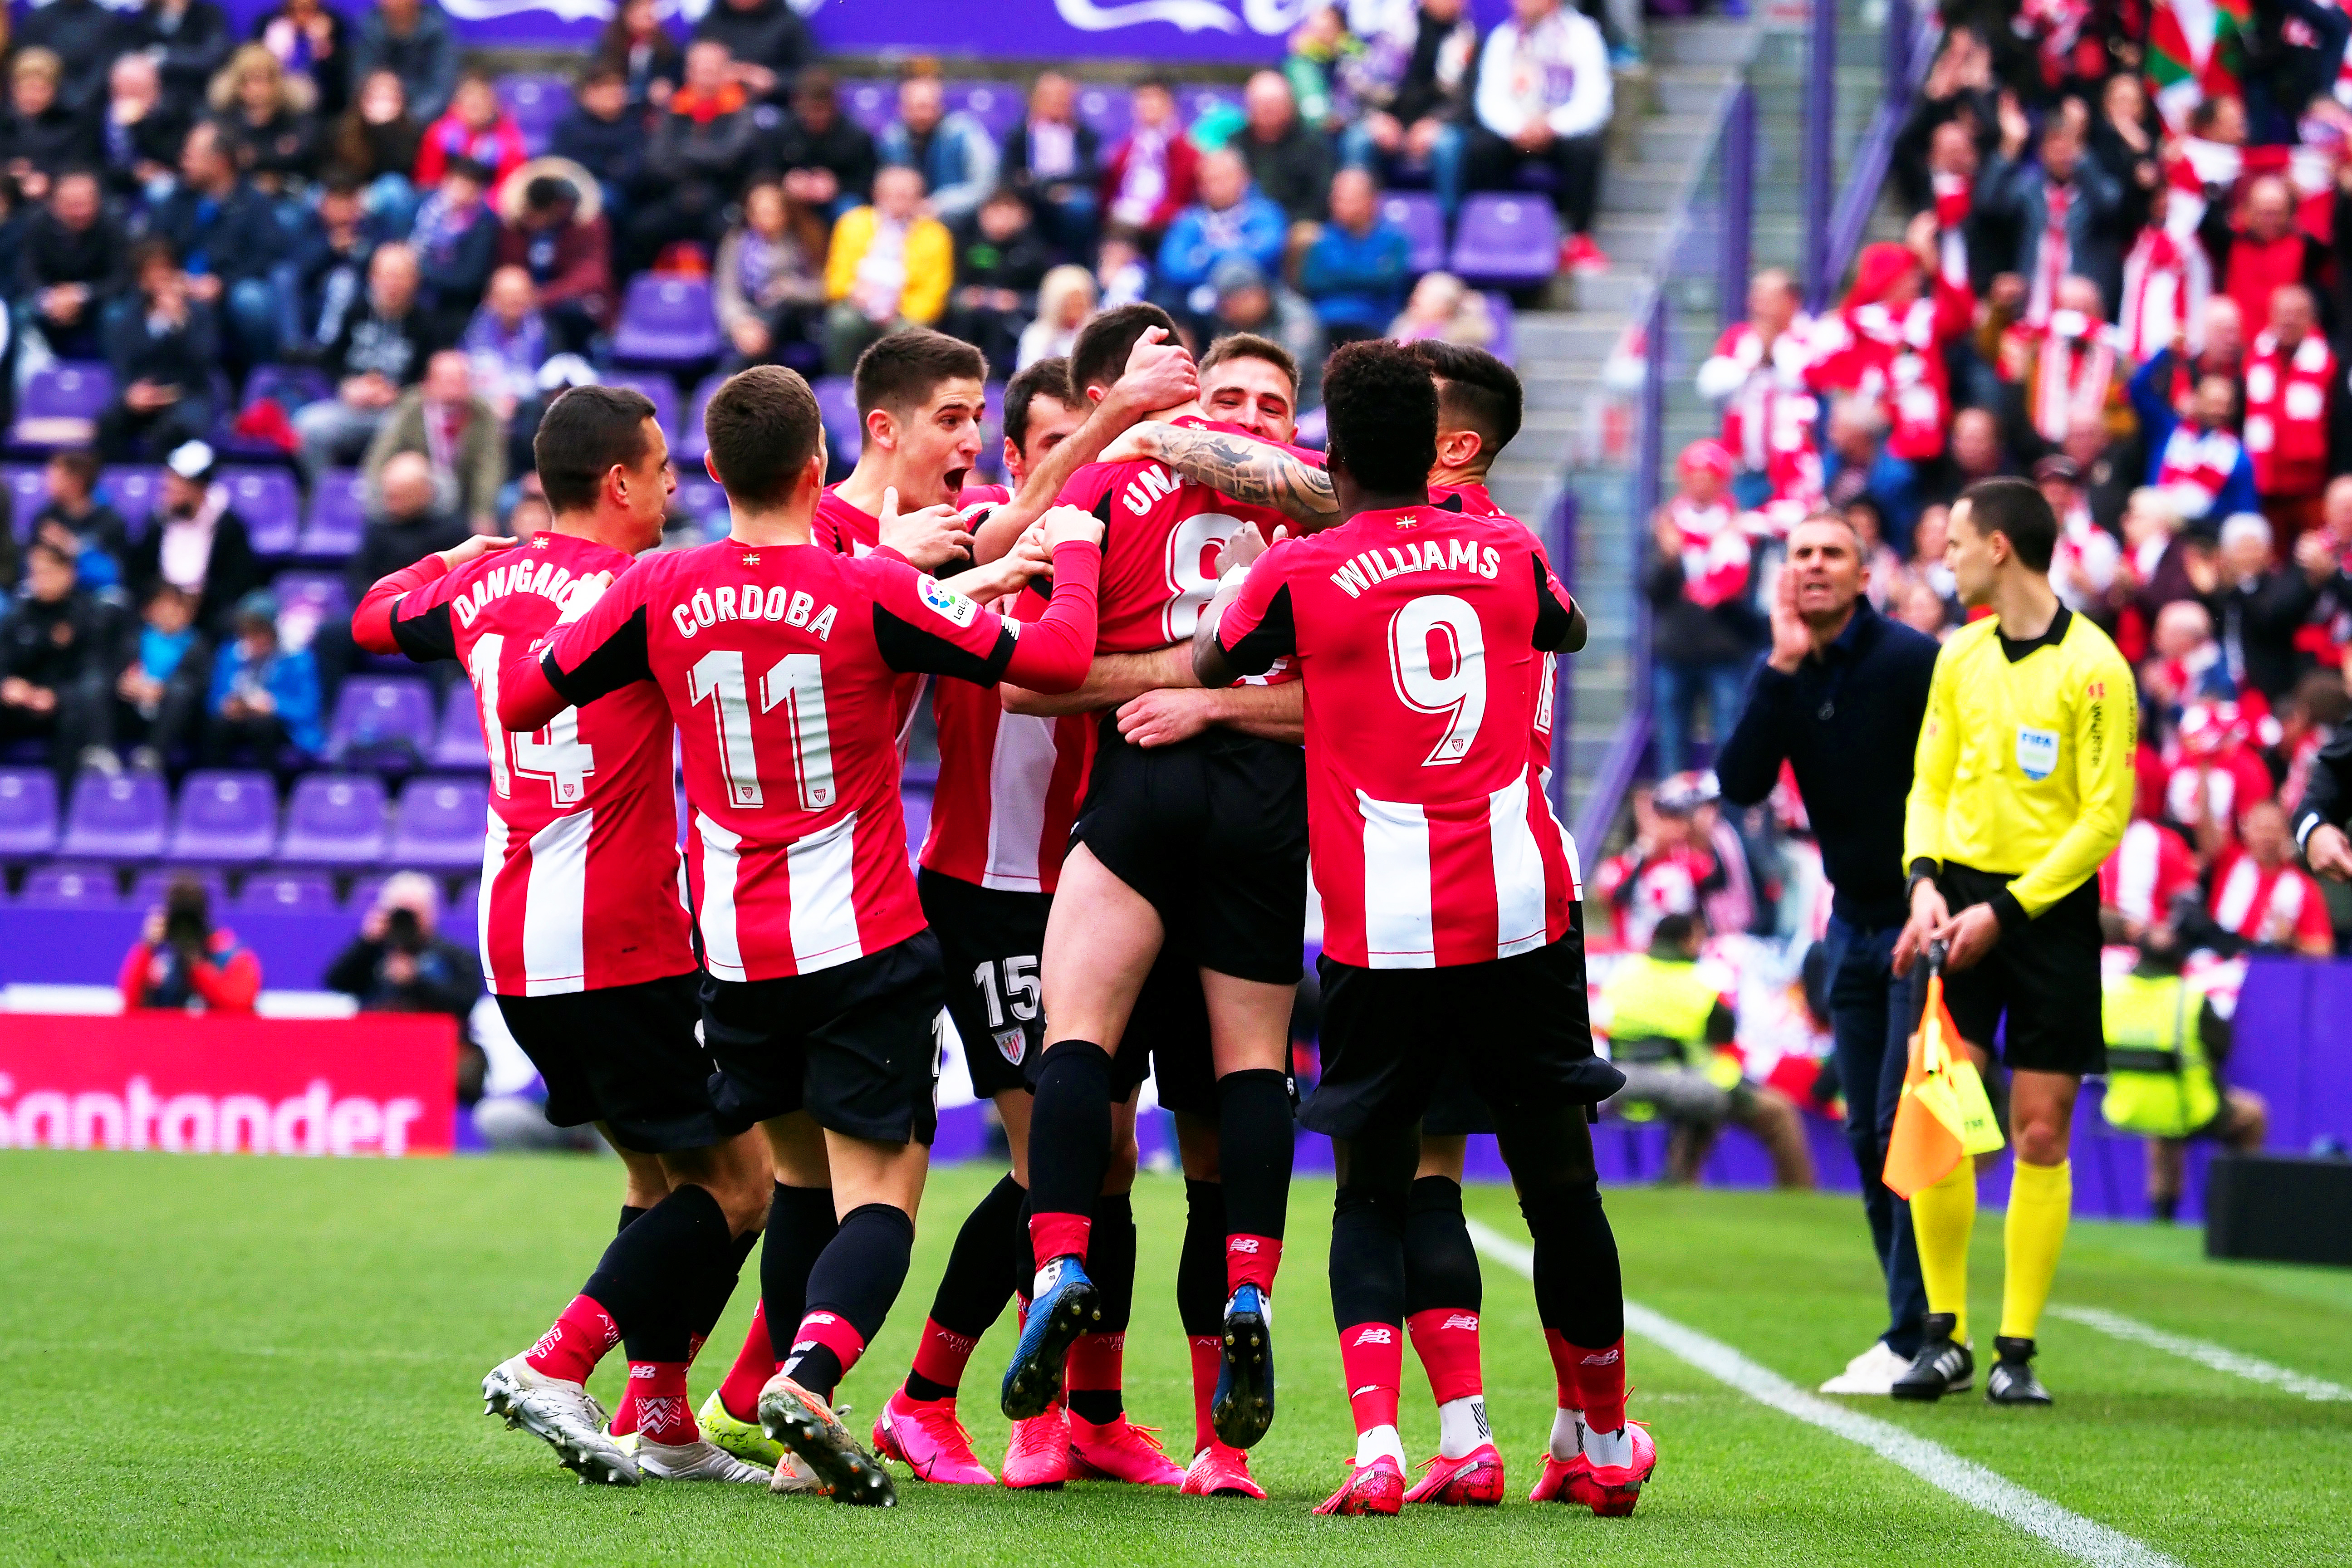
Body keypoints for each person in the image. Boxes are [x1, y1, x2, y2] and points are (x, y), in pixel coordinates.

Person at [496, 364, 1107, 1504]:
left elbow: (529, 694)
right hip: (862, 941)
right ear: (820, 468)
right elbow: (1058, 663)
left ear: (712, 474)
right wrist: (1070, 555)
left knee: (788, 1179)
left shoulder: (659, 583)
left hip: (734, 954)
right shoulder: (866, 586)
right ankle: (812, 1375)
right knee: (879, 1194)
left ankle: (730, 1391)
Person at [1192, 338, 1643, 1517]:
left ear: (1332, 456)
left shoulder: (1302, 567)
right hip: (1519, 901)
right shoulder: (1509, 548)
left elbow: (1215, 657)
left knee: (1373, 1190)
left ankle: (1384, 1448)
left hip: (1379, 916)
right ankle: (1601, 1441)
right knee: (1561, 1188)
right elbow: (1569, 630)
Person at [352, 382, 780, 1488]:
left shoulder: (486, 582)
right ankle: (558, 1357)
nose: (678, 484)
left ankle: (665, 1420)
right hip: (620, 931)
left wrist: (458, 551)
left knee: (655, 1179)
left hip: (516, 937)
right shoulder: (645, 588)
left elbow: (372, 615)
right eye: (662, 465)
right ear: (619, 481)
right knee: (742, 1185)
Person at [988, 304, 1314, 1470]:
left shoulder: (1117, 482)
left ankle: (1062, 1260)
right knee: (1249, 1073)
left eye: (1269, 405)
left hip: (1140, 780)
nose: (1246, 421)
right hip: (1266, 806)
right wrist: (1217, 684)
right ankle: (1249, 1300)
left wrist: (1128, 423)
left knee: (1072, 1046)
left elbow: (1026, 664)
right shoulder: (1317, 509)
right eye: (1233, 399)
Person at [863, 355, 1176, 1491]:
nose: (1091, 466)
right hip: (987, 885)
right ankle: (927, 1396)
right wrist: (1110, 429)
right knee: (1055, 1145)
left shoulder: (1130, 549)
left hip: (1096, 882)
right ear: (1023, 452)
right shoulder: (986, 534)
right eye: (1060, 439)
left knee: (1109, 1154)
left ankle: (1093, 1407)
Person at [1893, 475, 2136, 1406]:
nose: (1946, 557)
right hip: (1956, 903)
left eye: (1955, 541)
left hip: (2048, 915)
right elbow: (1929, 780)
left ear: (1999, 546)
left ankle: (2016, 1350)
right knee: (1945, 1125)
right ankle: (1944, 1335)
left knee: (2039, 1128)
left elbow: (2104, 817)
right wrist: (1923, 884)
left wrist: (2011, 910)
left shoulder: (2097, 668)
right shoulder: (1960, 656)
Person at [1715, 508, 1943, 1394]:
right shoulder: (1786, 671)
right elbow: (1739, 783)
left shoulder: (1913, 662)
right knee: (1863, 1130)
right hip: (1848, 925)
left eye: (1831, 554)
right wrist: (1776, 664)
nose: (1812, 566)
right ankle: (1915, 1325)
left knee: (1899, 1128)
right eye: (1799, 554)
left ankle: (1920, 1329)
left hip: (1921, 918)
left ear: (1864, 575)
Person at [1595, 911, 1813, 1188]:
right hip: (1685, 1082)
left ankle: (1679, 1178)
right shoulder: (1701, 984)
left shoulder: (1623, 976)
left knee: (1705, 1107)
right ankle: (1800, 1196)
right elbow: (1725, 1036)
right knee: (1778, 1113)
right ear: (1688, 940)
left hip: (1626, 1080)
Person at [2099, 908, 2269, 1222]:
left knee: (2163, 1125)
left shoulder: (2112, 995)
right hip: (2189, 1108)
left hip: (2126, 1106)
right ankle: (2235, 1212)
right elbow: (2221, 1049)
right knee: (2253, 1115)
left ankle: (2163, 1214)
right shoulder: (2189, 998)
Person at [1469, 0, 1611, 274]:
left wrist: (1553, 125)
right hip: (1516, 134)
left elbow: (1596, 101)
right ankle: (1496, 230)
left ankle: (1578, 238)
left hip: (1559, 133)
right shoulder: (1503, 37)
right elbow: (1489, 100)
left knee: (1587, 149)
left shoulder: (1583, 34)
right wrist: (1518, 127)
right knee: (1480, 148)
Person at [147, 119, 285, 365]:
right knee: (122, 310)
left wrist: (222, 284)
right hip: (179, 286)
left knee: (251, 300)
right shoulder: (177, 199)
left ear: (219, 162)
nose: (183, 163)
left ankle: (265, 375)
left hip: (227, 291)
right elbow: (154, 246)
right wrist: (170, 280)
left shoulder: (254, 203)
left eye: (191, 156)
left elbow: (268, 255)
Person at [294, 242, 433, 476]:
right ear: (373, 278)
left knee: (421, 437)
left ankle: (382, 500)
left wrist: (397, 394)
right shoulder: (355, 312)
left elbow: (431, 378)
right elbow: (330, 361)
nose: (393, 284)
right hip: (353, 408)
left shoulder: (427, 325)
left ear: (415, 281)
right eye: (387, 276)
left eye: (400, 277)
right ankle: (327, 495)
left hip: (398, 413)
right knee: (306, 426)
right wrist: (348, 386)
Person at [627, 41, 760, 276]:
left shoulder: (741, 110)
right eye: (700, 70)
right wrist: (705, 159)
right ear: (688, 72)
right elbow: (657, 161)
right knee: (639, 229)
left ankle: (730, 305)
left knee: (733, 238)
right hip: (675, 199)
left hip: (722, 201)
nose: (706, 77)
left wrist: (684, 152)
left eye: (713, 70)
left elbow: (730, 157)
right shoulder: (674, 109)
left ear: (726, 72)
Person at [1339, 0, 1477, 220]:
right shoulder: (1394, 31)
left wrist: (1435, 123)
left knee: (1448, 145)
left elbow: (1469, 100)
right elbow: (1358, 84)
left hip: (1439, 126)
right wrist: (1376, 118)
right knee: (1357, 139)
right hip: (1389, 122)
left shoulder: (1469, 39)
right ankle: (1353, 224)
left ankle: (1447, 228)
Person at [822, 164, 954, 375]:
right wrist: (854, 292)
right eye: (891, 196)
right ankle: (842, 387)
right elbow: (835, 277)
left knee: (906, 333)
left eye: (905, 197)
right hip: (859, 303)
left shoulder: (936, 235)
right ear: (877, 195)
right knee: (842, 322)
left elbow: (936, 292)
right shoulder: (851, 224)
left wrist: (898, 307)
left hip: (905, 310)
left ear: (920, 199)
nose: (897, 203)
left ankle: (898, 397)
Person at [0, 540, 113, 784]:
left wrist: (58, 697)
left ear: (68, 574)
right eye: (34, 573)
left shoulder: (87, 616)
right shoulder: (18, 615)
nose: (39, 580)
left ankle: (65, 807)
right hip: (21, 705)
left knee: (79, 712)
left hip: (63, 706)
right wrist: (6, 685)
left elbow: (94, 674)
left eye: (47, 572)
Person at [96, 240, 219, 461]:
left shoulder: (198, 314)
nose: (160, 278)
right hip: (143, 396)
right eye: (152, 272)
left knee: (172, 431)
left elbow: (203, 363)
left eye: (165, 270)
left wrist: (180, 325)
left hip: (187, 396)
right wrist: (130, 394)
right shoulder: (126, 317)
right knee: (108, 424)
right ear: (141, 280)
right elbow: (122, 365)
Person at [125, 441, 260, 640]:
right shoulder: (156, 522)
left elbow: (237, 583)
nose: (168, 490)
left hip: (206, 612)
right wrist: (159, 603)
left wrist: (193, 604)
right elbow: (138, 571)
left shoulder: (230, 528)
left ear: (199, 489)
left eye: (177, 484)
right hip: (159, 606)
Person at [361, 349, 504, 534]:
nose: (454, 387)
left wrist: (483, 512)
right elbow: (384, 451)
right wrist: (375, 493)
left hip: (463, 493)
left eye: (461, 380)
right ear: (428, 382)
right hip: (417, 489)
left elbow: (488, 467)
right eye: (447, 380)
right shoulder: (411, 407)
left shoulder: (483, 413)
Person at [2128, 336, 2258, 527]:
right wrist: (2167, 352)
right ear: (2196, 401)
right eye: (2213, 402)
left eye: (2225, 405)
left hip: (2203, 538)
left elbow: (2245, 516)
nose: (2219, 410)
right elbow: (2137, 389)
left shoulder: (2239, 457)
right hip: (2156, 528)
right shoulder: (2167, 429)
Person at [1154, 148, 1285, 320]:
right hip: (1197, 303)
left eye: (1226, 178)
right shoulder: (1189, 221)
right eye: (1211, 180)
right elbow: (1172, 266)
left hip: (1260, 297)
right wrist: (1238, 250)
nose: (1218, 186)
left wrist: (1206, 256)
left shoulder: (1265, 213)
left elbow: (1268, 251)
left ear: (1244, 178)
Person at [714, 174, 827, 369]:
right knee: (744, 342)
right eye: (757, 212)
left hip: (797, 319)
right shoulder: (736, 242)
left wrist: (789, 289)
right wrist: (740, 324)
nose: (763, 218)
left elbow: (824, 289)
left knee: (780, 309)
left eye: (770, 212)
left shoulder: (806, 240)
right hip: (750, 315)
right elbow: (727, 292)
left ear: (785, 212)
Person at [496, 167, 614, 350]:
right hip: (525, 301)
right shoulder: (516, 230)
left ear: (557, 208)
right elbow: (508, 269)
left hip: (565, 306)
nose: (533, 220)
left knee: (569, 313)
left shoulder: (587, 228)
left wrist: (543, 297)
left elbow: (592, 277)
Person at [14, 167, 123, 364]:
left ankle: (115, 379)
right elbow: (27, 270)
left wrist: (81, 295)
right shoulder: (37, 224)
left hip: (95, 299)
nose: (80, 212)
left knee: (116, 314)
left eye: (86, 205)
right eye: (73, 206)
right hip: (51, 299)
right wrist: (48, 298)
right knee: (22, 312)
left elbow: (121, 277)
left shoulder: (112, 225)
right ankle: (31, 386)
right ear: (56, 206)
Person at [201, 588, 320, 768]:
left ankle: (270, 790)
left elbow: (308, 709)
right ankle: (215, 784)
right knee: (218, 725)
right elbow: (213, 699)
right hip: (238, 723)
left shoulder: (298, 659)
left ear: (273, 631)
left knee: (263, 726)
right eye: (247, 633)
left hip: (281, 727)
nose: (252, 639)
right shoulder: (230, 653)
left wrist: (274, 705)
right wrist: (227, 706)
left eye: (259, 632)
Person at [1299, 168, 1413, 348]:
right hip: (1324, 323)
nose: (1339, 205)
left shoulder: (1395, 239)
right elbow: (1312, 281)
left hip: (1376, 323)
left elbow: (1389, 281)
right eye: (1337, 198)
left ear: (1371, 201)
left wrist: (1336, 275)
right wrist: (1367, 274)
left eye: (1349, 199)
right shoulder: (1322, 238)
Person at [118, 874, 259, 1014]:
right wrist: (146, 946)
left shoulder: (231, 954)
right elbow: (131, 1006)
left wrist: (197, 965)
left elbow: (240, 1006)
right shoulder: (161, 958)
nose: (184, 928)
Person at [947, 186, 1052, 372]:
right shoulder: (964, 242)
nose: (1002, 218)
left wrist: (1017, 301)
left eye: (1009, 210)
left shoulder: (1035, 250)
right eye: (996, 210)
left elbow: (1047, 299)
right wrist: (966, 295)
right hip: (972, 316)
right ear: (982, 214)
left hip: (1014, 320)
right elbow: (949, 289)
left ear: (1023, 215)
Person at [347, 451, 470, 608]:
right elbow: (359, 577)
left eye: (400, 497)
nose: (391, 503)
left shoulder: (452, 530)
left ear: (426, 492)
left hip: (435, 613)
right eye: (389, 496)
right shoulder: (378, 527)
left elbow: (461, 581)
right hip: (384, 611)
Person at [461, 266, 553, 476]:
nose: (514, 302)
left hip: (528, 418)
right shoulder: (471, 331)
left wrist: (517, 402)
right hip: (481, 409)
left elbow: (551, 384)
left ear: (531, 298)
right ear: (490, 299)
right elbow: (463, 373)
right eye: (506, 295)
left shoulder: (548, 334)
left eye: (520, 295)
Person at [111, 581, 210, 771]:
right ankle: (103, 750)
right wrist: (125, 683)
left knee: (180, 691)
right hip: (133, 708)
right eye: (163, 606)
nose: (169, 612)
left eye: (176, 606)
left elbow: (199, 686)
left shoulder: (199, 646)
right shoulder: (133, 640)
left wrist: (161, 690)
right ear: (150, 610)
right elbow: (117, 672)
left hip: (179, 718)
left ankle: (153, 754)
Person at [879, 72, 999, 228]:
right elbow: (885, 184)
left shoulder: (966, 134)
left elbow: (985, 186)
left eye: (925, 107)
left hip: (959, 218)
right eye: (912, 107)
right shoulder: (893, 138)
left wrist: (938, 205)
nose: (920, 115)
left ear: (940, 106)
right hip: (904, 218)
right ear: (901, 109)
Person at [1002, 72, 1100, 256]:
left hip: (1069, 195)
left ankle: (1077, 262)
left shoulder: (1085, 136)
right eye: (1049, 97)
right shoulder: (1019, 135)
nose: (1057, 102)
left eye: (1062, 97)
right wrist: (1042, 188)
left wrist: (1056, 184)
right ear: (1035, 100)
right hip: (1031, 195)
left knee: (1081, 206)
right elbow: (1009, 175)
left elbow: (1091, 172)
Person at [209, 41, 321, 198]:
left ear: (277, 82)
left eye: (264, 81)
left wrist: (253, 156)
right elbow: (224, 158)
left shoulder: (295, 115)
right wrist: (276, 152)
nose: (257, 89)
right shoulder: (225, 117)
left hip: (288, 194)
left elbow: (301, 154)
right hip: (237, 194)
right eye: (249, 81)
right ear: (237, 85)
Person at [769, 67, 878, 222]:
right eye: (810, 110)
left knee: (852, 212)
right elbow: (764, 171)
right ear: (798, 106)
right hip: (791, 198)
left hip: (839, 199)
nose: (816, 117)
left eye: (822, 110)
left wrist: (836, 186)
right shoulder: (782, 131)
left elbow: (869, 182)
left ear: (834, 106)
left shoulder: (856, 136)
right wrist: (786, 181)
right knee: (769, 204)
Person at [1100, 76, 1197, 245]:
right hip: (1121, 223)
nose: (1147, 105)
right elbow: (1108, 192)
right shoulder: (1125, 149)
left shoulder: (1185, 150)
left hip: (1163, 226)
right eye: (1142, 98)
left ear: (1170, 106)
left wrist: (1147, 217)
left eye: (1155, 98)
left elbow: (1182, 202)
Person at [408, 155, 498, 337]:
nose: (462, 191)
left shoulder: (484, 225)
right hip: (411, 293)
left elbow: (468, 278)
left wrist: (418, 271)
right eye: (459, 182)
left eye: (470, 186)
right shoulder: (422, 205)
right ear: (447, 180)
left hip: (453, 305)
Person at [1232, 70, 1331, 230]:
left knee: (1307, 235)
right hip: (1245, 227)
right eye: (1261, 104)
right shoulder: (1236, 146)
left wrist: (1284, 224)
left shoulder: (1313, 144)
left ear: (1290, 106)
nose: (1268, 110)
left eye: (1274, 104)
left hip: (1295, 224)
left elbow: (1322, 197)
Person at [548, 63, 646, 221]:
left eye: (619, 88)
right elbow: (556, 164)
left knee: (603, 199)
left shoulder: (633, 127)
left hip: (616, 195)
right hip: (571, 188)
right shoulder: (569, 126)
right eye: (606, 88)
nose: (615, 94)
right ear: (589, 93)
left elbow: (632, 171)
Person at [2, 50, 98, 198]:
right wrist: (9, 174)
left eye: (41, 89)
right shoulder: (4, 123)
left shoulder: (71, 124)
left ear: (55, 91)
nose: (32, 96)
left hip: (56, 200)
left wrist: (49, 179)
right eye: (26, 88)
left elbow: (81, 168)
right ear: (14, 89)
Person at [30, 451, 127, 592]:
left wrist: (74, 548)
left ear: (76, 482)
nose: (47, 482)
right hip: (51, 589)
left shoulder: (110, 522)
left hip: (94, 593)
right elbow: (29, 565)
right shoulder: (45, 518)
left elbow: (115, 575)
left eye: (54, 477)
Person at [351, 0, 459, 127]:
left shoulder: (436, 29)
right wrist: (379, 112)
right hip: (375, 118)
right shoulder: (370, 26)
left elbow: (441, 88)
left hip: (423, 121)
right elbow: (361, 83)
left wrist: (407, 121)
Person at [689, 0, 815, 104]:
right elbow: (689, 68)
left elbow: (809, 76)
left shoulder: (788, 22)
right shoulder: (712, 21)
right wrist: (719, 73)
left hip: (774, 106)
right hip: (716, 108)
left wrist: (774, 81)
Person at [413, 72, 525, 190]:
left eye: (482, 104)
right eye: (472, 105)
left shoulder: (507, 138)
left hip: (487, 202)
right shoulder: (439, 133)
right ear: (457, 107)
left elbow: (510, 187)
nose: (476, 109)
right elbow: (427, 179)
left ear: (493, 108)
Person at [594, 0, 681, 112]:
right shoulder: (610, 47)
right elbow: (600, 78)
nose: (648, 13)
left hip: (654, 112)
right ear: (627, 14)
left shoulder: (667, 48)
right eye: (641, 9)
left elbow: (675, 76)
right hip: (618, 112)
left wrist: (666, 85)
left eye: (650, 10)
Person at [1016, 263, 1095, 369]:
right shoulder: (1037, 337)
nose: (1077, 310)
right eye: (1071, 304)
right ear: (1056, 305)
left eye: (1080, 304)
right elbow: (1027, 376)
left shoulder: (1094, 334)